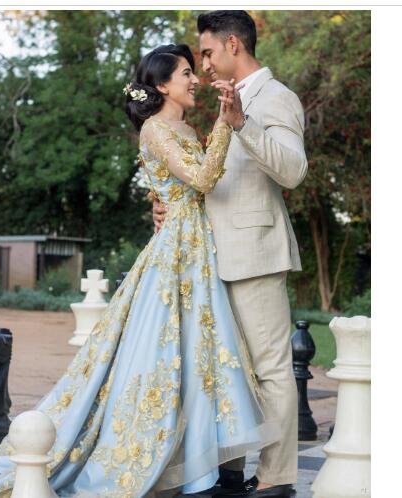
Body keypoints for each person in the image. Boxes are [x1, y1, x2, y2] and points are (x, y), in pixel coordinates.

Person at [0, 43, 279, 498]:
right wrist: (226, 121)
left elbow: (178, 188)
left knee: (203, 355)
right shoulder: (155, 129)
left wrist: (159, 198)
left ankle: (207, 467)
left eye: (193, 71)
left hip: (200, 246)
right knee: (169, 352)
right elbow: (201, 180)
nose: (195, 79)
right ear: (162, 85)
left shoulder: (185, 128)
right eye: (185, 73)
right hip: (177, 253)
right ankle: (178, 466)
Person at [152, 11, 307, 498]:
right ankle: (229, 471)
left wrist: (242, 124)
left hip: (255, 252)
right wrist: (165, 206)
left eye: (207, 52)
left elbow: (293, 170)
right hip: (210, 256)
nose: (203, 64)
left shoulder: (276, 97)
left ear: (233, 44)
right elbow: (210, 179)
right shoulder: (225, 100)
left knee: (271, 371)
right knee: (226, 370)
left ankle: (276, 477)